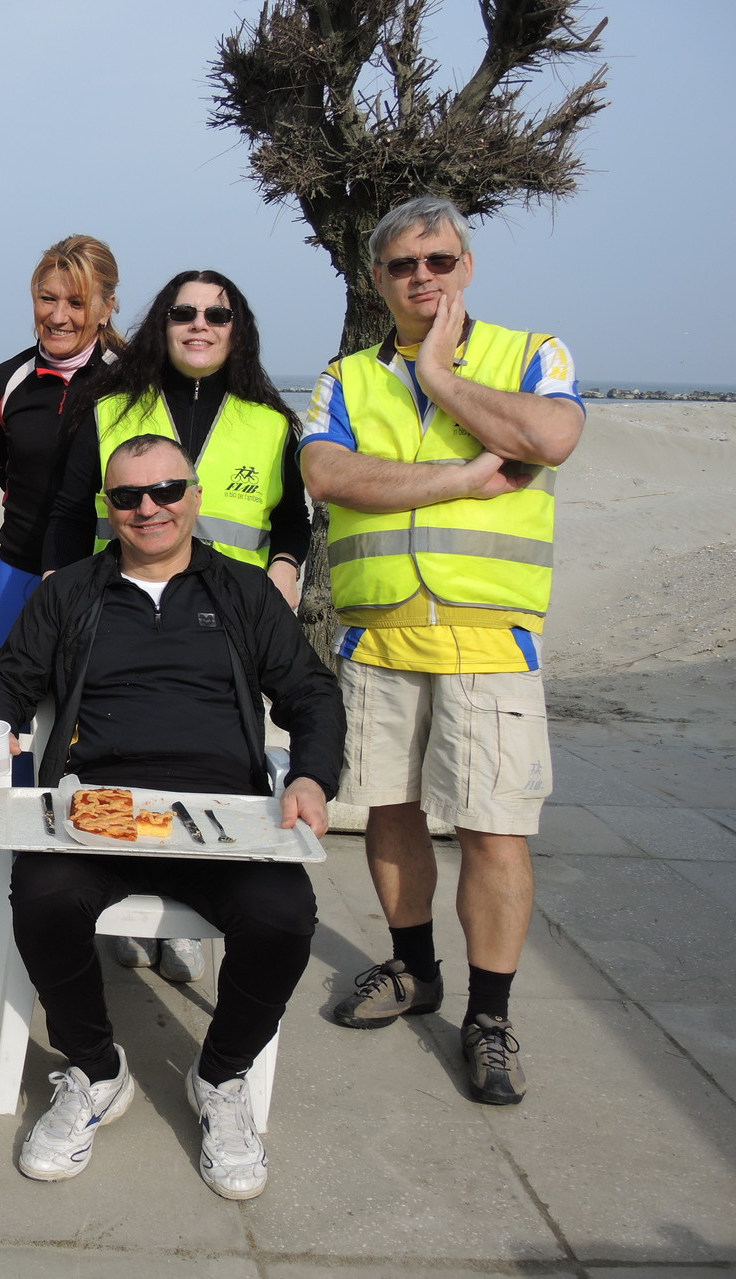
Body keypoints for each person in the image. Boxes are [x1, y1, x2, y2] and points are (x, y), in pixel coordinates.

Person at [0, 433, 343, 1200]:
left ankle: (221, 1075)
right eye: (129, 496)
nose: (150, 508)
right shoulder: (71, 590)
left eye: (167, 490)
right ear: (109, 508)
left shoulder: (241, 592)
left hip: (219, 814)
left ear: (194, 497)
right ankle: (98, 1071)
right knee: (40, 894)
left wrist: (308, 775)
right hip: (102, 810)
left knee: (284, 914)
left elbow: (312, 693)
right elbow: (4, 680)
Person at [300, 195, 584, 1107]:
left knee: (496, 829)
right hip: (378, 636)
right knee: (387, 810)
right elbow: (328, 474)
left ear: (467, 265)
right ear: (376, 279)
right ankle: (414, 966)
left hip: (488, 639)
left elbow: (549, 436)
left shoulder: (532, 353)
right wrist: (466, 471)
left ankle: (490, 1014)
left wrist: (441, 374)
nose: (424, 277)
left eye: (440, 260)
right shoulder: (344, 378)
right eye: (402, 266)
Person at [41, 269, 312, 978]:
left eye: (217, 314)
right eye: (184, 312)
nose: (200, 324)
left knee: (208, 755)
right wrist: (55, 595)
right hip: (115, 623)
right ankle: (125, 891)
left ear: (237, 328)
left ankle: (189, 909)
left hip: (225, 631)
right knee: (118, 756)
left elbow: (293, 519)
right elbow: (70, 511)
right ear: (162, 323)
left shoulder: (271, 422)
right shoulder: (111, 408)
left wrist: (284, 566)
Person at [0, 234, 123, 918]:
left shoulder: (132, 382)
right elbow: (1, 465)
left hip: (109, 578)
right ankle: (8, 863)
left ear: (106, 307)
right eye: (47, 299)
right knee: (10, 718)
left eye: (76, 302)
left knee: (112, 721)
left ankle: (136, 865)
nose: (59, 315)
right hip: (20, 569)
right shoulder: (7, 381)